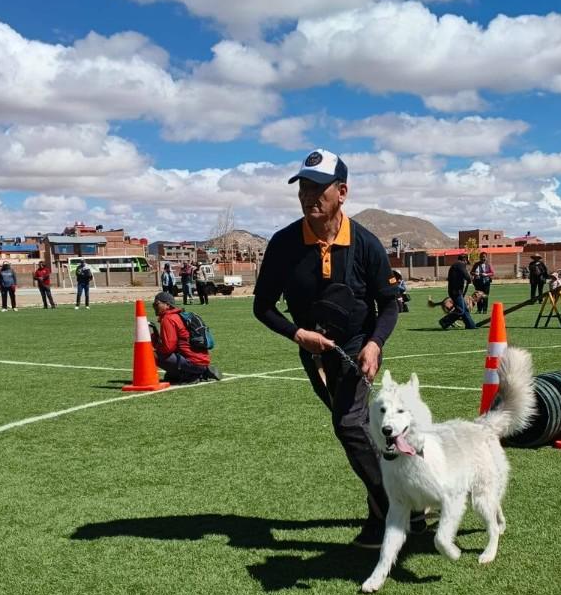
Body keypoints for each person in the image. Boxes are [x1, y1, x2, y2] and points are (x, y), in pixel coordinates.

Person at [253, 147, 418, 548]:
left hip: (357, 347)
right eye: (304, 188)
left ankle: (399, 511)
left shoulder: (365, 244)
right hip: (313, 351)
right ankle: (399, 503)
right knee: (359, 432)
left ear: (341, 192)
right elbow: (262, 306)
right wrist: (298, 335)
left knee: (349, 426)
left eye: (319, 188)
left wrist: (376, 345)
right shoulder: (284, 244)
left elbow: (389, 304)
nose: (309, 196)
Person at [151, 291, 219, 383]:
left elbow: (168, 348)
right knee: (169, 375)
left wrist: (155, 347)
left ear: (167, 305)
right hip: (202, 361)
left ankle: (190, 375)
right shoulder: (178, 316)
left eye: (157, 304)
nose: (154, 306)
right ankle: (198, 372)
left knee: (150, 354)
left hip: (193, 362)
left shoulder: (169, 319)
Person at [439, 255, 477, 330]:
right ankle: (444, 321)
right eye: (466, 261)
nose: (466, 263)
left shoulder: (456, 265)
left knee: (465, 310)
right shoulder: (460, 264)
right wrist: (470, 278)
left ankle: (470, 325)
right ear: (464, 259)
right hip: (456, 292)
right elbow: (466, 275)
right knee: (460, 310)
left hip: (455, 291)